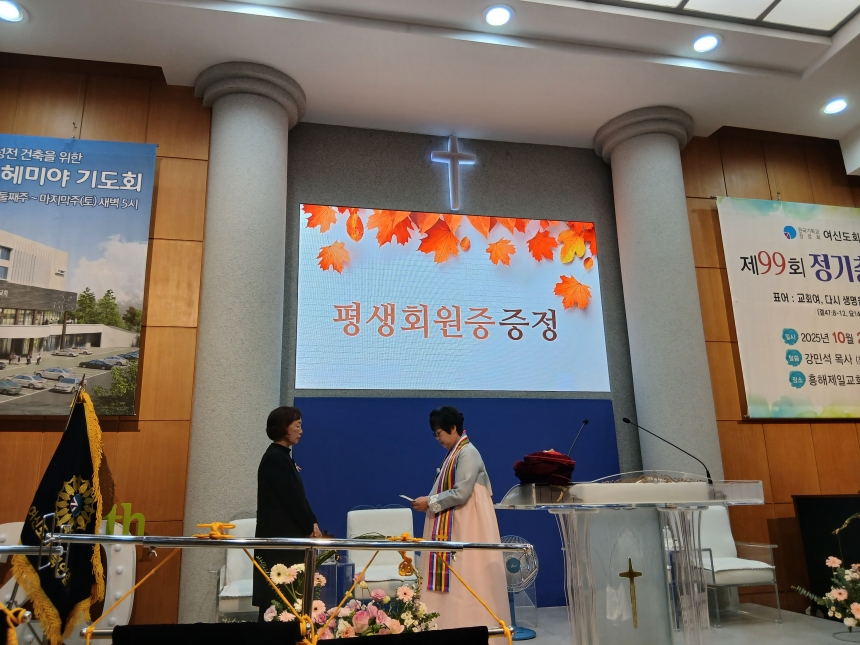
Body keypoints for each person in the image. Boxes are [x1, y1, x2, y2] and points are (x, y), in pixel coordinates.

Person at [412, 406, 510, 630]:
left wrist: (430, 502)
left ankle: (470, 626)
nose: (437, 438)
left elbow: (462, 493)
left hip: (468, 523)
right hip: (459, 521)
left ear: (453, 428)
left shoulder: (468, 453)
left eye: (439, 433)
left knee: (468, 573)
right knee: (458, 576)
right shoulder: (454, 453)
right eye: (435, 434)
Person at [253, 406, 321, 622]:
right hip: (280, 542)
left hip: (285, 538)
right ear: (283, 427)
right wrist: (309, 525)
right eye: (297, 426)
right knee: (277, 602)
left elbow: (298, 496)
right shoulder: (276, 458)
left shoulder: (281, 457)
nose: (301, 431)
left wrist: (312, 522)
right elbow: (292, 499)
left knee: (289, 601)